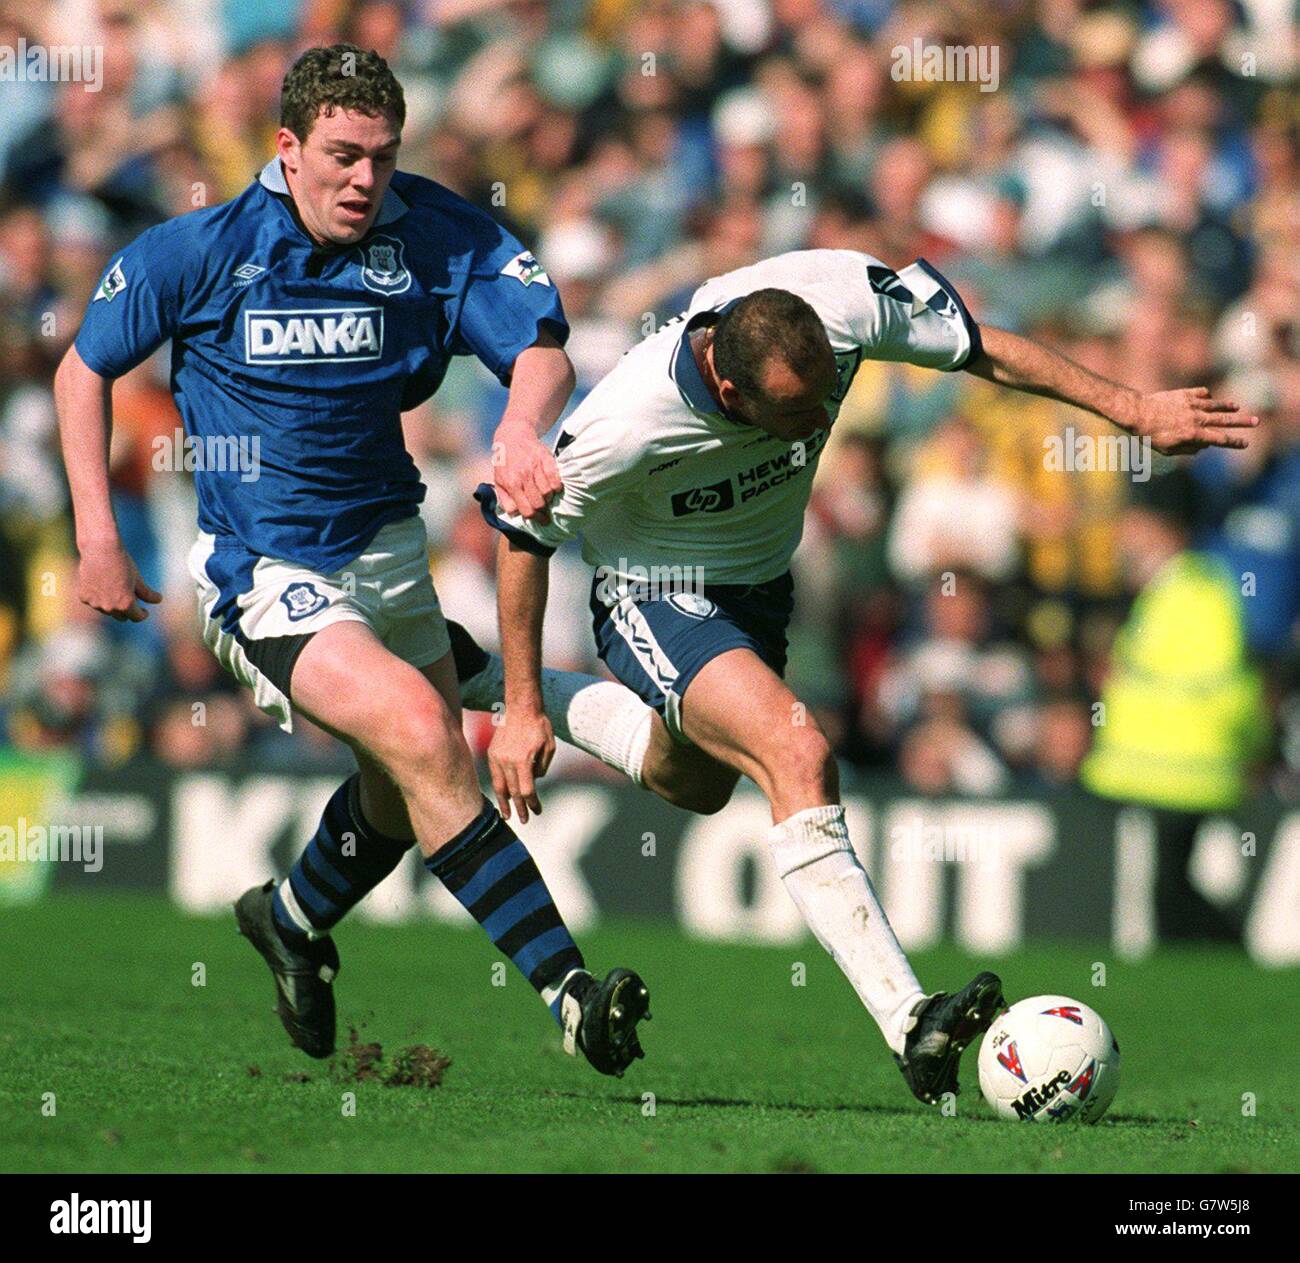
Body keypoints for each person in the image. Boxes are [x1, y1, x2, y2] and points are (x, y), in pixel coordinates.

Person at [465, 248, 1256, 1103]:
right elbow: (522, 533)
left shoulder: (845, 304)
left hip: (760, 589)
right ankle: (912, 1022)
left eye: (823, 401)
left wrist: (1131, 408)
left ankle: (460, 669)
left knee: (689, 780)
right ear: (731, 394)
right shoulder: (626, 420)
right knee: (798, 754)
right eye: (795, 412)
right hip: (655, 590)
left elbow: (980, 345)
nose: (817, 428)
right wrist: (519, 708)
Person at [55, 45, 650, 1077]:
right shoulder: (197, 250)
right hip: (265, 569)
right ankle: (570, 991)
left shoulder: (435, 232)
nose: (363, 180)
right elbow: (83, 370)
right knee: (427, 733)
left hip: (386, 551)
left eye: (381, 156)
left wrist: (519, 430)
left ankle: (289, 919)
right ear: (285, 148)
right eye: (340, 155)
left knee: (395, 787)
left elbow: (541, 346)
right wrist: (98, 534)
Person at [1081, 469, 1269, 940]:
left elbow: (1224, 690)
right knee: (1169, 889)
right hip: (1175, 770)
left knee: (1170, 893)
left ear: (1161, 527)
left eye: (1132, 519)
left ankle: (1236, 958)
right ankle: (1234, 964)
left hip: (1178, 771)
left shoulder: (1195, 593)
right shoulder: (1176, 590)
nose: (1122, 532)